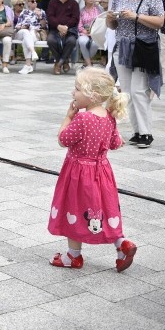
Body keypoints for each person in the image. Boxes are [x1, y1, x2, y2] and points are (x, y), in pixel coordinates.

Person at [47, 68, 136, 272]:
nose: (73, 93)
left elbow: (63, 140)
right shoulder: (108, 116)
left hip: (79, 173)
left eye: (77, 89)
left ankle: (73, 257)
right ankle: (122, 244)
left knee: (75, 209)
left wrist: (68, 117)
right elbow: (115, 143)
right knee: (102, 209)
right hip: (102, 173)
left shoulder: (82, 119)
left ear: (92, 95)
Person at [107, 0, 164, 149]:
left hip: (142, 48)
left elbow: (159, 22)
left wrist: (136, 16)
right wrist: (110, 19)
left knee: (140, 91)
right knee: (128, 93)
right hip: (122, 49)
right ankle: (137, 132)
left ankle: (146, 133)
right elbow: (113, 26)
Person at [46, 0, 80, 74]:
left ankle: (58, 63)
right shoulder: (52, 3)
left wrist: (66, 27)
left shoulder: (74, 3)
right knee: (50, 40)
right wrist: (58, 26)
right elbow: (50, 17)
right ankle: (63, 62)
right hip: (55, 29)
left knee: (71, 41)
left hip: (70, 30)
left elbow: (75, 18)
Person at [13, 0, 47, 74]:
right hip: (21, 32)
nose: (35, 2)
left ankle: (27, 65)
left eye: (36, 1)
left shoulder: (41, 12)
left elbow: (45, 27)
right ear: (27, 2)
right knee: (25, 32)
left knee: (27, 38)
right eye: (32, 1)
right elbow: (17, 25)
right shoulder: (24, 12)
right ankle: (33, 52)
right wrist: (23, 27)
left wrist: (40, 17)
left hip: (35, 33)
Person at [77, 0, 104, 69]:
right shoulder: (81, 10)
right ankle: (89, 64)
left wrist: (94, 31)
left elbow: (102, 21)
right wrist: (83, 30)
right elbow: (79, 24)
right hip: (84, 32)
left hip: (96, 32)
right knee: (82, 42)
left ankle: (86, 63)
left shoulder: (99, 9)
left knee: (95, 44)